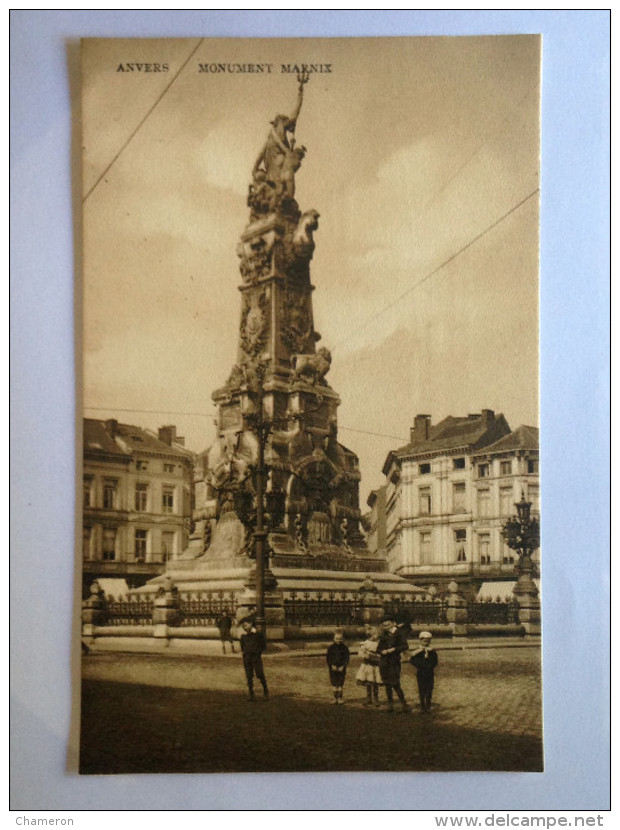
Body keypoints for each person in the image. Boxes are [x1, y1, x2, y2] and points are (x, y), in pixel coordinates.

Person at [377, 617, 410, 713]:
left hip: (394, 662)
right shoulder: (384, 635)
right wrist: (381, 651)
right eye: (384, 626)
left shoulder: (399, 634)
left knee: (395, 683)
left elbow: (405, 646)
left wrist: (394, 649)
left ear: (393, 623)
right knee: (387, 684)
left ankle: (404, 704)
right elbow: (378, 648)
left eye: (387, 625)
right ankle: (390, 704)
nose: (386, 627)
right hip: (384, 662)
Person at [239, 617, 269, 701]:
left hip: (256, 658)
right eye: (243, 626)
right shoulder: (243, 636)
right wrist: (245, 653)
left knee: (260, 674)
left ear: (251, 624)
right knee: (249, 675)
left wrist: (257, 652)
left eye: (246, 625)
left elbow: (263, 645)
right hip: (247, 658)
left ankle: (265, 691)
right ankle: (251, 694)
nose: (244, 627)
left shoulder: (257, 634)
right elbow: (242, 646)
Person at [409, 630, 439, 713]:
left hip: (429, 672)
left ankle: (428, 705)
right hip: (421, 671)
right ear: (420, 640)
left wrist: (431, 666)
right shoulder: (417, 651)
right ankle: (422, 706)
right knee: (421, 689)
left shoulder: (432, 651)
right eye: (424, 641)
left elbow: (435, 661)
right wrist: (419, 665)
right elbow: (412, 660)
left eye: (428, 641)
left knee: (429, 688)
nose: (426, 643)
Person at [355, 625, 382, 707]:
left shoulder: (379, 644)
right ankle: (369, 698)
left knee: (375, 683)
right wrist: (366, 655)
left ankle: (376, 699)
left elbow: (380, 653)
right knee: (368, 682)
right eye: (376, 635)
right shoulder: (365, 644)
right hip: (367, 665)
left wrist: (376, 656)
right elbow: (361, 654)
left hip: (375, 665)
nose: (377, 636)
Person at [326, 629, 350, 705]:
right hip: (333, 668)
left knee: (340, 683)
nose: (338, 640)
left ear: (343, 639)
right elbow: (328, 658)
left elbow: (347, 658)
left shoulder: (345, 648)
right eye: (337, 639)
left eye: (340, 639)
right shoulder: (331, 648)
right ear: (334, 639)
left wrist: (343, 666)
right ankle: (334, 697)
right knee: (334, 683)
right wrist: (332, 665)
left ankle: (340, 698)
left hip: (341, 668)